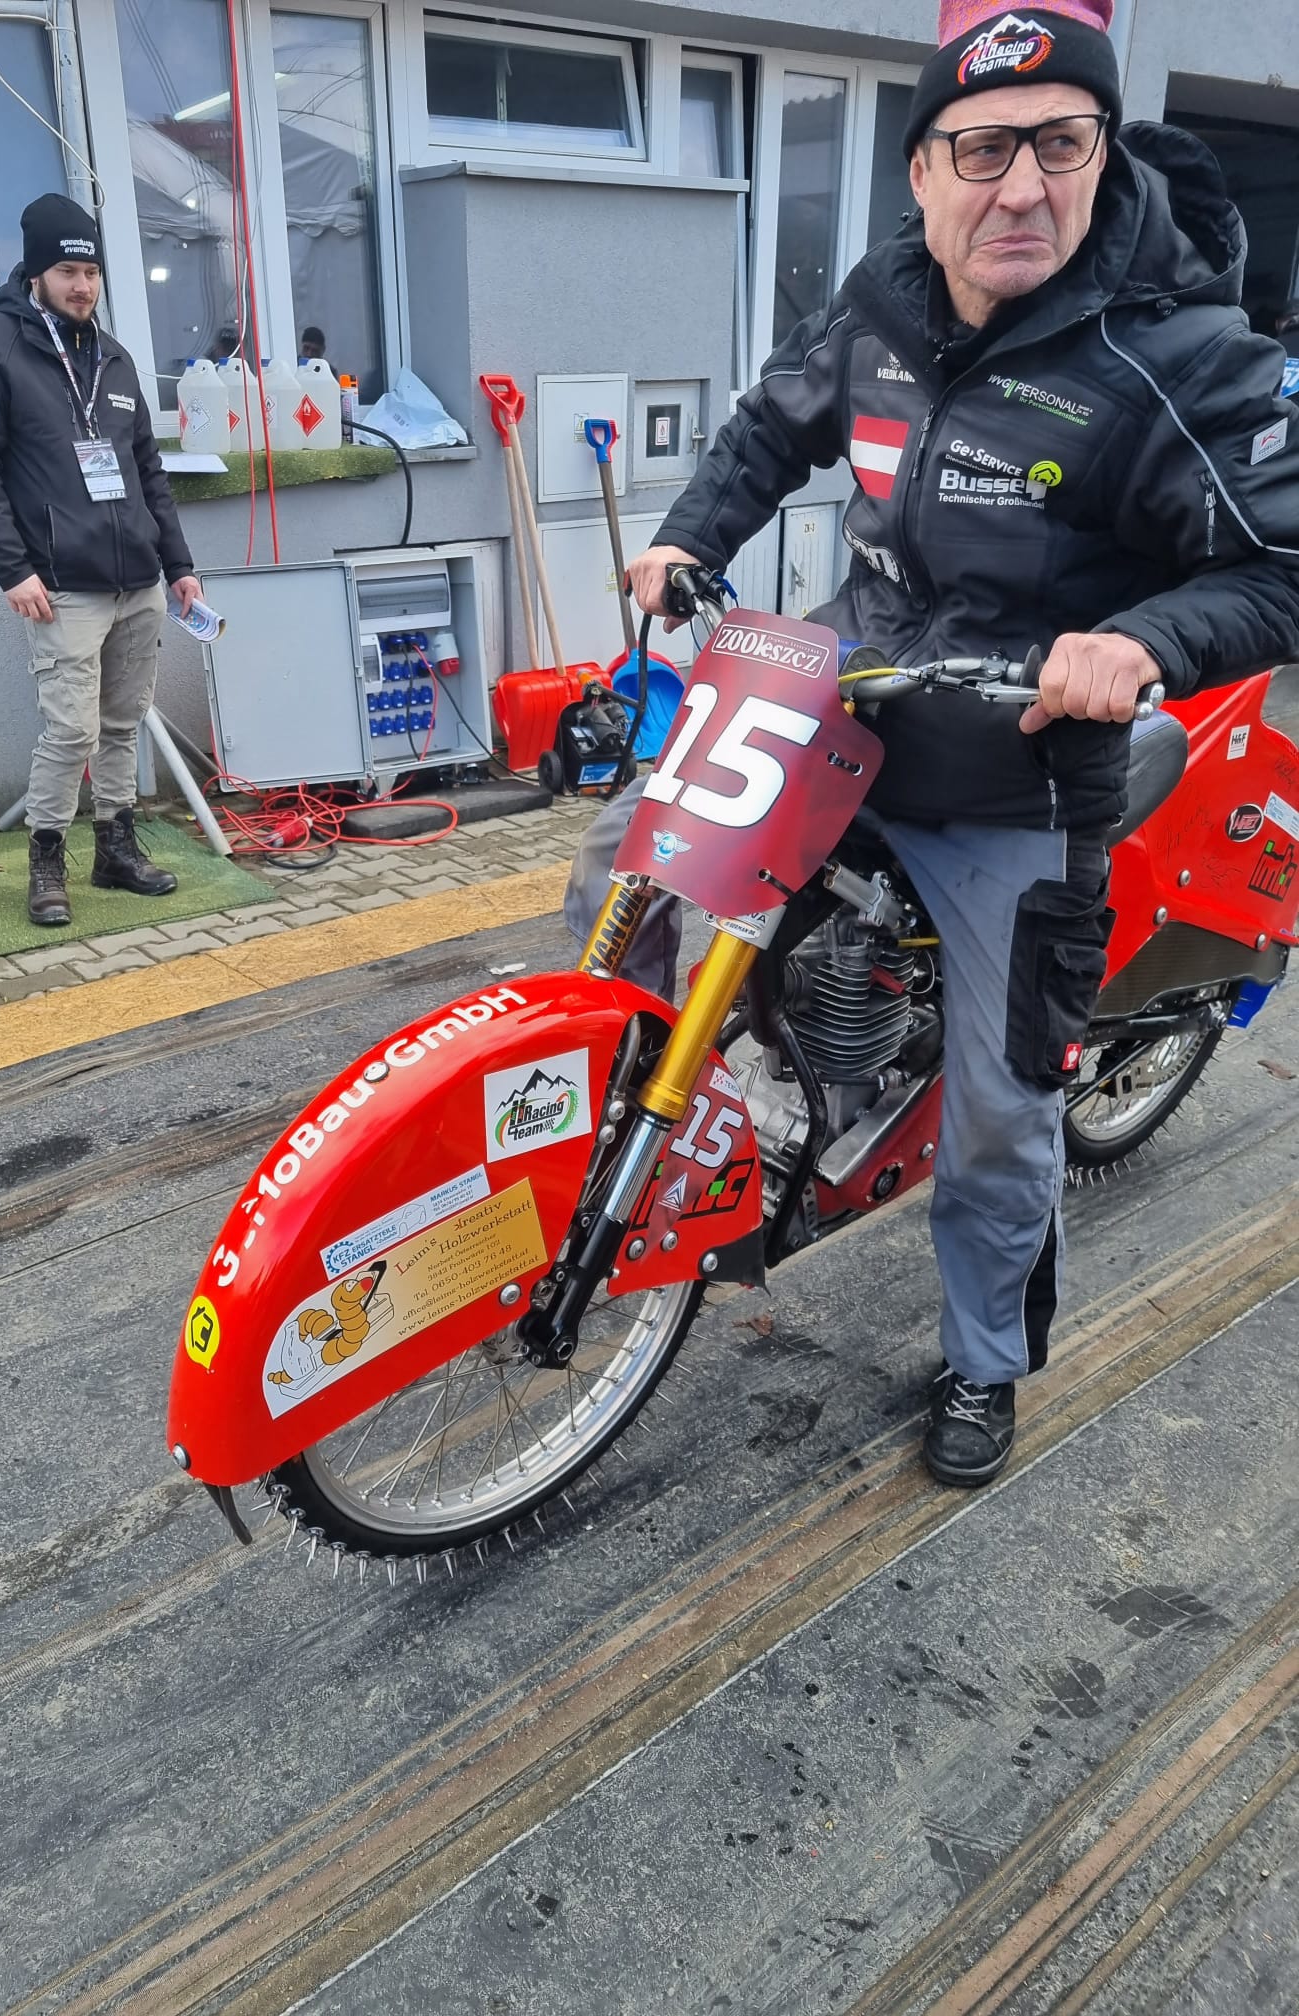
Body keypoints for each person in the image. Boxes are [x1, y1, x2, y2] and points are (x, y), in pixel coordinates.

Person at [567, 0, 1299, 1489]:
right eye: (982, 149)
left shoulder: (1181, 356)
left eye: (1058, 144)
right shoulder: (884, 299)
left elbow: (1277, 568)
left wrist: (1145, 643)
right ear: (922, 170)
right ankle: (632, 1138)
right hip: (843, 698)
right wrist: (687, 538)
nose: (1019, 186)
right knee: (619, 869)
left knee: (999, 1112)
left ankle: (984, 1359)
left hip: (1015, 772)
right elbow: (770, 427)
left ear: (1101, 154)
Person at [0, 193, 203, 927]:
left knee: (123, 723)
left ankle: (115, 850)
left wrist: (178, 565)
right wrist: (12, 569)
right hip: (60, 584)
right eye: (67, 271)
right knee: (70, 732)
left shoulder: (114, 358)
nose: (83, 286)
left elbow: (148, 469)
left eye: (91, 272)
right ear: (36, 272)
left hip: (137, 581)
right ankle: (46, 863)